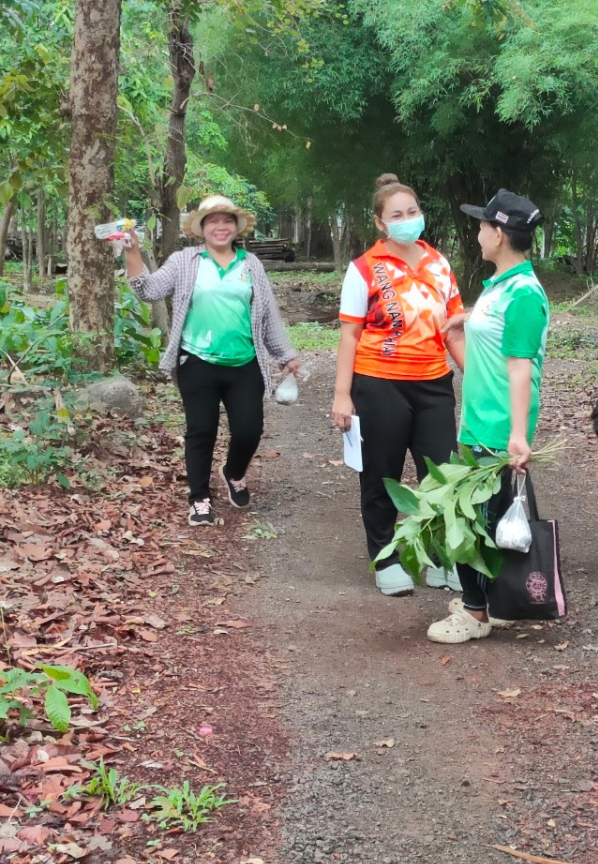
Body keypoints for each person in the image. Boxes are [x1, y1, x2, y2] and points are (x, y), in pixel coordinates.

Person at [123, 195, 299, 526]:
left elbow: (266, 316)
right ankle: (200, 498)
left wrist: (285, 355)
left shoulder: (251, 264)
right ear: (201, 228)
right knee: (201, 431)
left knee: (250, 430)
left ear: (236, 227)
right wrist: (132, 252)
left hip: (244, 362)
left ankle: (233, 472)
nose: (221, 226)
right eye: (213, 221)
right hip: (197, 360)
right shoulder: (185, 260)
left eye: (227, 220)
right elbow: (149, 290)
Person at [332, 174, 466, 596]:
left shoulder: (439, 264)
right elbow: (349, 335)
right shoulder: (364, 270)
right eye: (397, 215)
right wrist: (342, 395)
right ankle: (386, 557)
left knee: (443, 475)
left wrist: (478, 378)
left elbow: (453, 331)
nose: (407, 220)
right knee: (381, 474)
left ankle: (442, 557)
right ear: (379, 222)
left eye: (412, 212)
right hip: (378, 384)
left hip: (434, 384)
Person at [425, 189, 549, 643]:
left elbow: (520, 369)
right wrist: (461, 329)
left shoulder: (523, 295)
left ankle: (475, 615)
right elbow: (486, 360)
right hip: (478, 417)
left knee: (472, 519)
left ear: (498, 234)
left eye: (482, 226)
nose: (477, 233)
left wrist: (517, 435)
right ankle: (488, 602)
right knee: (479, 515)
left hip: (498, 425)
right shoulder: (499, 287)